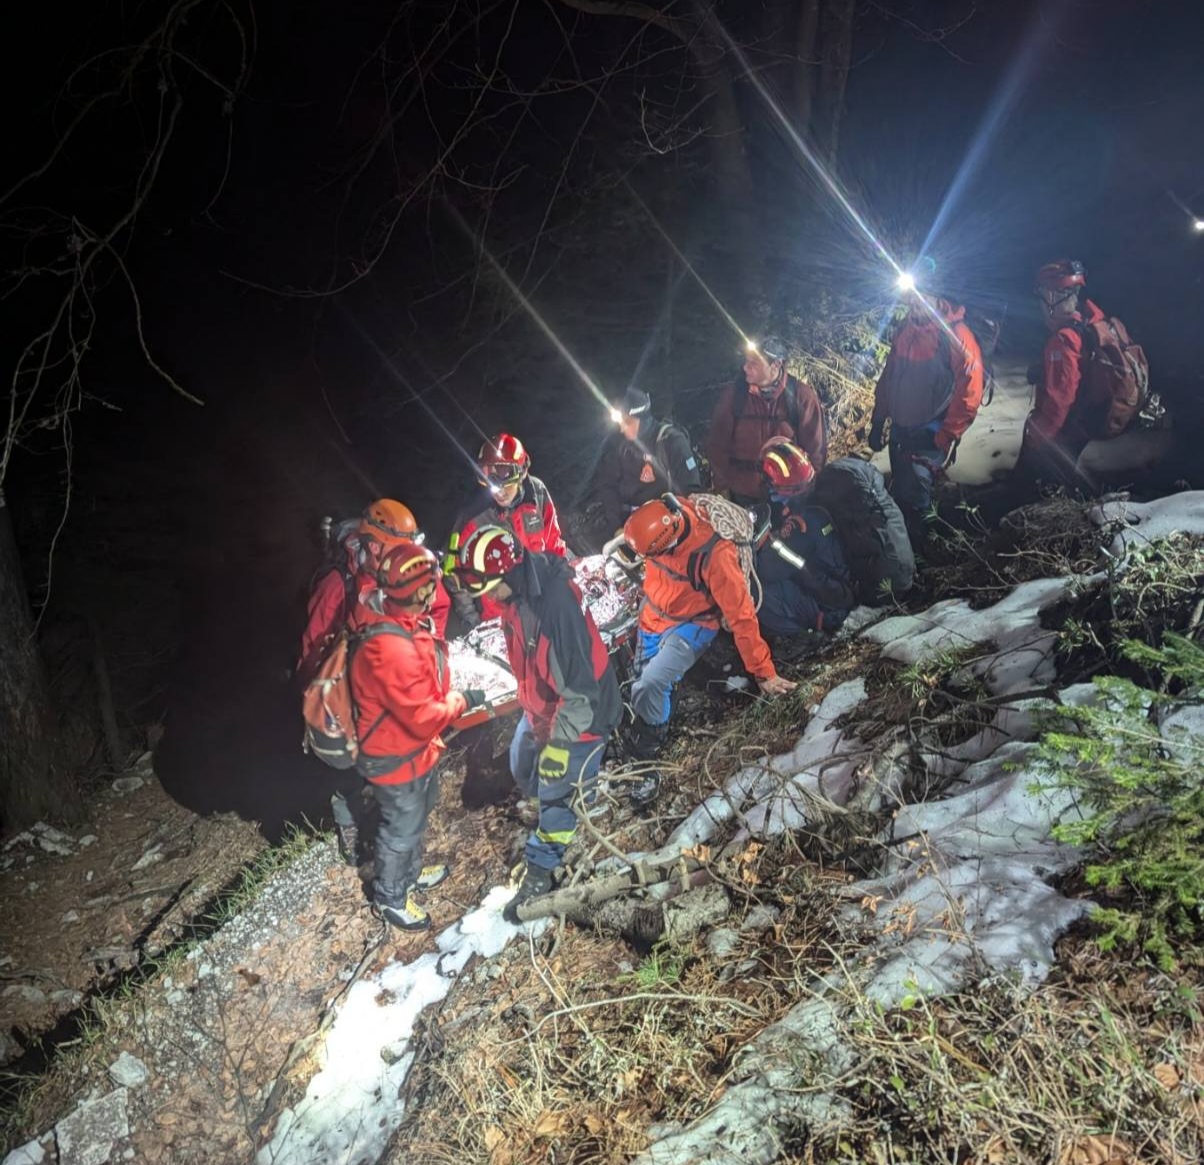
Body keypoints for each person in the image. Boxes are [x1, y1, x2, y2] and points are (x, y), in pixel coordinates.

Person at [454, 525, 621, 922]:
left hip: (581, 716)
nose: (486, 597)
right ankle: (572, 796)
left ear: (509, 574)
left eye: (490, 587)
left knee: (555, 794)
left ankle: (543, 869)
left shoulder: (555, 609)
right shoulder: (519, 596)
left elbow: (579, 692)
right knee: (522, 765)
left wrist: (561, 745)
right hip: (542, 707)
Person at [338, 542, 486, 932]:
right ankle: (390, 896)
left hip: (414, 748)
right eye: (431, 583)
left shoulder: (403, 620)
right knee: (402, 824)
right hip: (392, 753)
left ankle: (410, 873)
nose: (435, 588)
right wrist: (462, 700)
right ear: (418, 590)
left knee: (420, 810)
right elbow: (421, 717)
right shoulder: (389, 647)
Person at [622, 494, 797, 804]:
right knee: (639, 684)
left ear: (666, 543)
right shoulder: (669, 514)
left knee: (651, 684)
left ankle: (647, 753)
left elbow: (742, 616)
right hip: (655, 616)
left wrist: (764, 673)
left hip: (693, 624)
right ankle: (654, 708)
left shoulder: (715, 555)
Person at [1014, 259, 1148, 492]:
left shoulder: (1064, 340)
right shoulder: (1097, 323)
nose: (1041, 304)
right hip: (1103, 421)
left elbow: (1059, 402)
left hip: (1074, 432)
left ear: (1054, 297)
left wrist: (1036, 441)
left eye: (1043, 295)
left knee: (1030, 488)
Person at [869, 293, 984, 540]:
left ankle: (926, 554)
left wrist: (944, 436)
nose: (914, 303)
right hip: (901, 429)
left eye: (920, 297)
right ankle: (905, 549)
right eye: (910, 298)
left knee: (920, 499)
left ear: (936, 297)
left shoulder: (955, 334)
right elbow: (890, 376)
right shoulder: (906, 328)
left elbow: (970, 391)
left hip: (931, 431)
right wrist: (878, 420)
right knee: (901, 492)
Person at [297, 499, 450, 684]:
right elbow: (313, 650)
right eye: (399, 549)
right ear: (374, 547)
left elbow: (439, 608)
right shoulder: (338, 585)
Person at [447, 433, 567, 628]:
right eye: (490, 483)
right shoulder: (472, 519)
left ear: (522, 472)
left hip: (543, 605)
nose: (498, 492)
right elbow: (454, 574)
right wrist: (474, 622)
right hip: (502, 621)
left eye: (505, 484)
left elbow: (553, 542)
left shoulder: (536, 492)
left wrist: (562, 586)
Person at [706, 335, 827, 505]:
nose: (745, 367)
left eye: (754, 363)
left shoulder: (801, 397)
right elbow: (717, 445)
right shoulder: (734, 396)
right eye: (746, 361)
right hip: (743, 494)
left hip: (788, 496)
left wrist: (810, 492)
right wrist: (722, 487)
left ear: (775, 365)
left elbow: (816, 450)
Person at [755, 438, 854, 646]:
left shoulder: (799, 526)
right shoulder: (818, 501)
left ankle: (799, 638)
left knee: (756, 592)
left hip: (829, 608)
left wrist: (763, 542)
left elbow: (767, 569)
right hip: (842, 589)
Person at [594, 387, 701, 534]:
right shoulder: (620, 445)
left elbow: (690, 489)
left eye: (627, 422)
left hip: (666, 522)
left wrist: (681, 525)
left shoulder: (671, 441)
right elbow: (607, 486)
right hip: (630, 523)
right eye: (620, 424)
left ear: (642, 419)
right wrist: (616, 526)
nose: (622, 429)